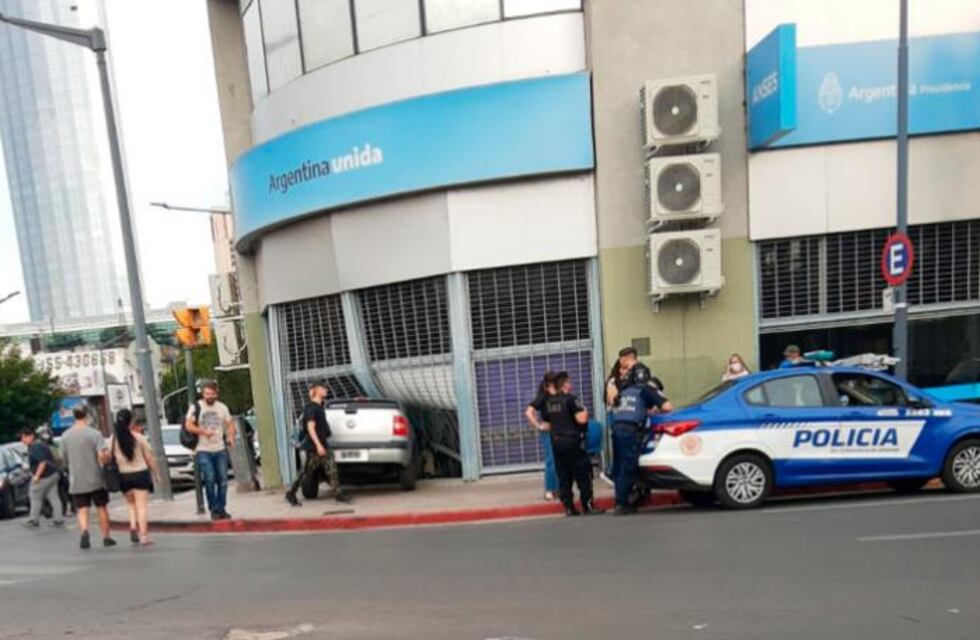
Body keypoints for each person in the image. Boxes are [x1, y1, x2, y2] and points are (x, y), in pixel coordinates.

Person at [608, 358, 672, 516]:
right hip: (630, 430)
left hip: (617, 428)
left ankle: (620, 499)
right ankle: (622, 504)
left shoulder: (625, 390)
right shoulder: (646, 389)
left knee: (619, 466)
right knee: (627, 467)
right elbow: (668, 407)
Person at [540, 372, 602, 516]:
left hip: (557, 443)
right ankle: (587, 505)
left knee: (564, 476)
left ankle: (569, 507)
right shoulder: (571, 400)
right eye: (569, 382)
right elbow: (581, 419)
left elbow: (546, 424)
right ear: (565, 385)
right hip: (573, 442)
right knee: (583, 474)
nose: (571, 385)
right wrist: (585, 412)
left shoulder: (549, 403)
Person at [285, 380, 352, 506]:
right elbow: (310, 428)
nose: (326, 390)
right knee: (305, 473)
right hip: (314, 447)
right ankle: (291, 493)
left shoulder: (319, 407)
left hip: (322, 444)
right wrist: (318, 445)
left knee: (332, 469)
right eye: (323, 388)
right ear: (316, 390)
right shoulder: (311, 408)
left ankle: (338, 495)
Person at [61, 405, 116, 549]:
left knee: (82, 509)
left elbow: (64, 460)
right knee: (101, 507)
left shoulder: (65, 436)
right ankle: (106, 537)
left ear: (74, 416)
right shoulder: (95, 434)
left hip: (76, 479)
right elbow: (102, 456)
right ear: (87, 416)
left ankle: (84, 531)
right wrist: (107, 457)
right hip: (95, 477)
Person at [186, 380, 237, 520]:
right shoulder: (196, 407)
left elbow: (231, 425)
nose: (209, 396)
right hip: (203, 449)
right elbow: (189, 425)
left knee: (223, 481)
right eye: (207, 394)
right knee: (209, 478)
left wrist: (231, 437)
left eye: (212, 394)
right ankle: (213, 509)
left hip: (220, 448)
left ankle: (222, 508)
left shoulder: (222, 408)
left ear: (217, 393)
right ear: (202, 394)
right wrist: (203, 432)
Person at [108, 409, 159, 546]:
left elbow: (106, 457)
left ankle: (132, 527)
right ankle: (143, 536)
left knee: (130, 504)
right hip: (140, 474)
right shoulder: (139, 437)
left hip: (123, 476)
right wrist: (157, 474)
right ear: (130, 422)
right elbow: (149, 458)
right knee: (141, 506)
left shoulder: (112, 440)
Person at [19, 428, 64, 529]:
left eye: (25, 437)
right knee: (53, 497)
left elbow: (42, 462)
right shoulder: (41, 444)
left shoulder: (34, 446)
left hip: (44, 476)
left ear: (31, 436)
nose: (23, 440)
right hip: (53, 473)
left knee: (34, 495)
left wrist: (36, 476)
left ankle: (33, 519)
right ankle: (58, 519)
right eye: (22, 438)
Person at [524, 371, 559, 501]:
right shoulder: (543, 397)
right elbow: (529, 412)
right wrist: (538, 426)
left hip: (561, 432)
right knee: (551, 461)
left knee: (560, 461)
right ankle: (549, 490)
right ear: (550, 383)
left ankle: (558, 488)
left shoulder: (560, 395)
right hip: (549, 432)